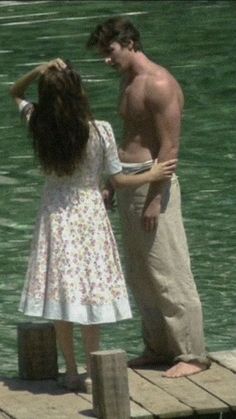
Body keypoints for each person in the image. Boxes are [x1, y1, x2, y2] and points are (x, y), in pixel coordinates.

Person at [10, 58, 177, 392]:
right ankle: (90, 369)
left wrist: (39, 68)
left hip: (54, 215)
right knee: (88, 291)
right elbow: (119, 180)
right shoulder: (100, 130)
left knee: (61, 291)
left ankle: (70, 370)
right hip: (88, 216)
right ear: (78, 93)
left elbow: (14, 91)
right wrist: (153, 175)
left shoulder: (39, 123)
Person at [87, 17, 211, 378]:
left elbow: (170, 146)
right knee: (141, 273)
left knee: (168, 268)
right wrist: (113, 182)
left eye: (109, 52)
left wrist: (157, 198)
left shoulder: (159, 83)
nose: (106, 61)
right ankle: (158, 347)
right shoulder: (128, 81)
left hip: (153, 185)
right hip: (129, 182)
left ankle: (192, 353)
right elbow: (129, 137)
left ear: (128, 43)